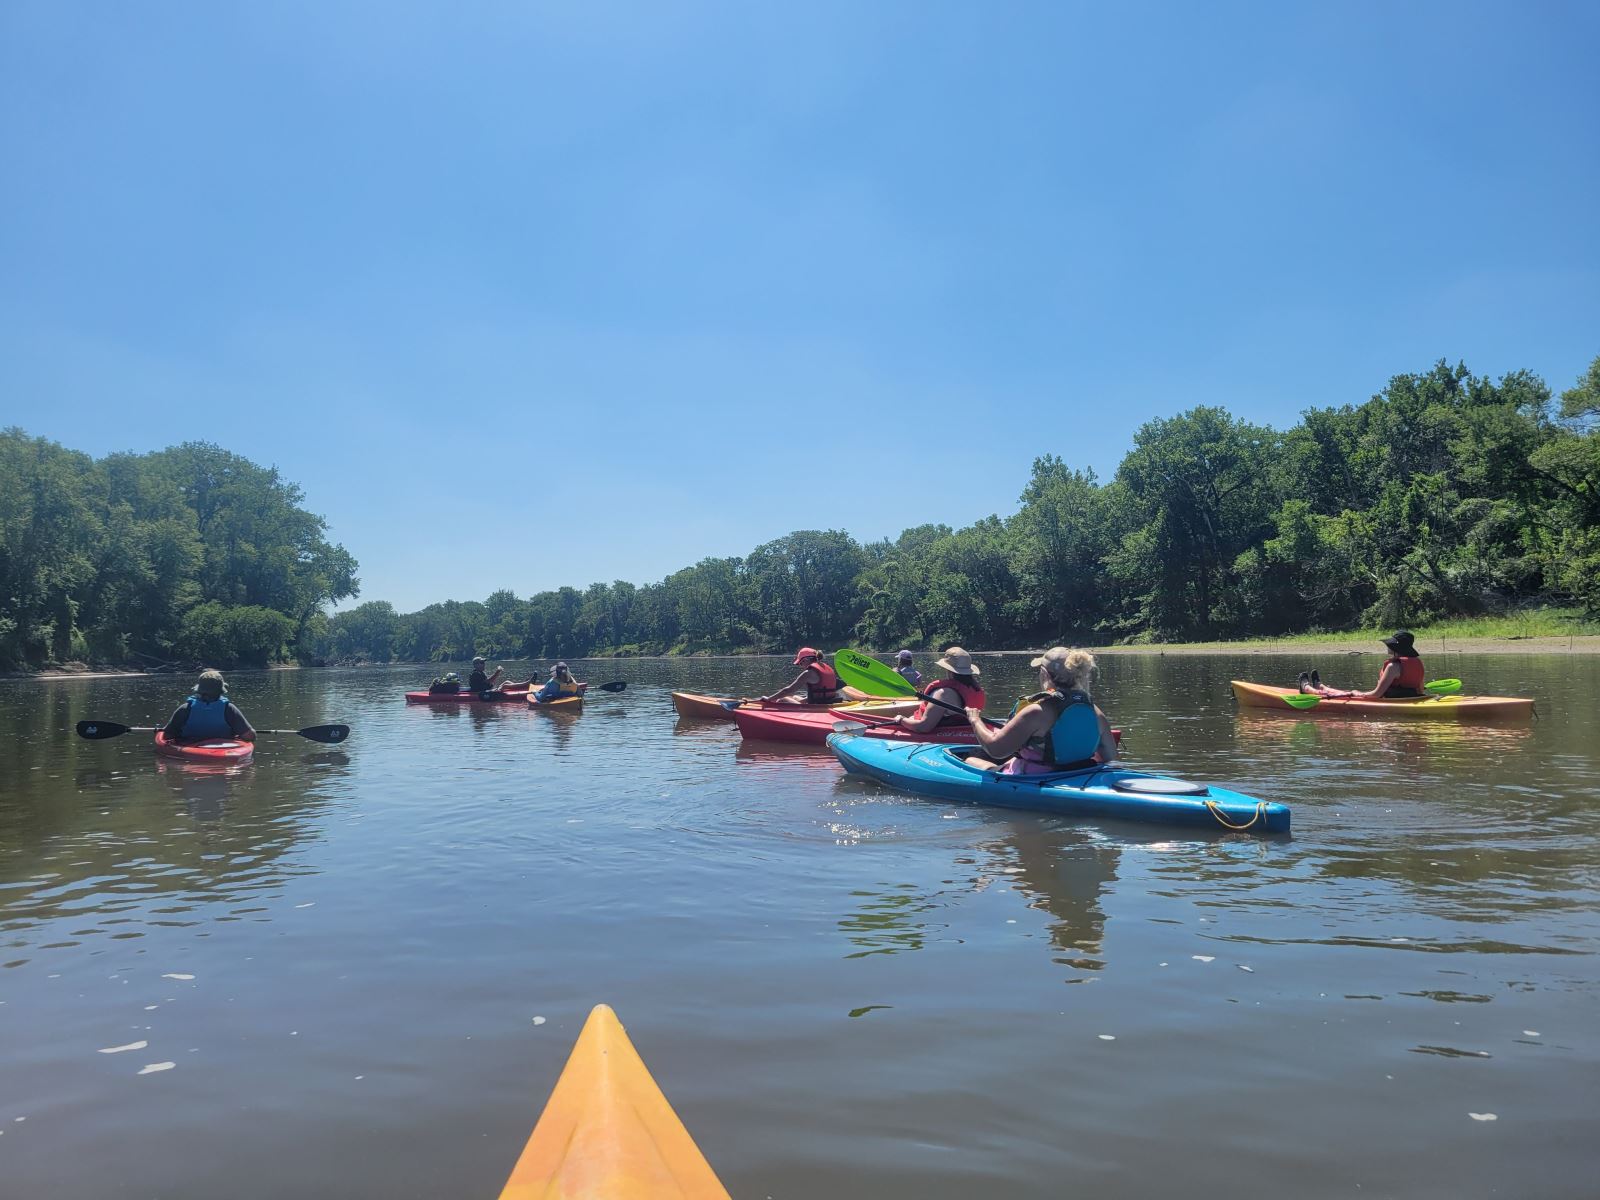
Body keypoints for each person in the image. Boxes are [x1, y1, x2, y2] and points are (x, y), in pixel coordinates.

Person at [961, 647, 1116, 773]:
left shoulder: (1036, 711)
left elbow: (996, 750)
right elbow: (1109, 755)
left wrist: (975, 720)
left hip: (1035, 778)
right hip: (1080, 774)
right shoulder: (1094, 711)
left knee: (970, 760)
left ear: (1044, 673)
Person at [1297, 630, 1427, 699]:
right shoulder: (1418, 663)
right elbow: (1420, 690)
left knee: (1349, 693)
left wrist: (1359, 693)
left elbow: (1376, 695)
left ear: (1395, 648)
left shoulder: (1393, 667)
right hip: (1409, 699)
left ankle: (1308, 689)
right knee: (1349, 692)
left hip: (1389, 701)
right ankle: (1321, 686)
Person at [886, 646, 984, 735]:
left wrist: (901, 720)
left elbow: (923, 727)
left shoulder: (943, 694)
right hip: (964, 731)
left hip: (939, 735)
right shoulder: (975, 689)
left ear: (949, 670)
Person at [163, 669, 256, 742]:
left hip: (190, 749)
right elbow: (250, 736)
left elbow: (167, 736)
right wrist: (237, 733)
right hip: (223, 750)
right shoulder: (229, 709)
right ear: (220, 690)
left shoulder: (185, 709)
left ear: (199, 690)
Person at [758, 647, 845, 705]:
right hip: (829, 702)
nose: (800, 666)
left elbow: (788, 690)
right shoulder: (827, 668)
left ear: (805, 660)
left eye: (800, 663)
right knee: (795, 697)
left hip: (817, 706)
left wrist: (769, 699)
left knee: (782, 700)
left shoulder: (808, 673)